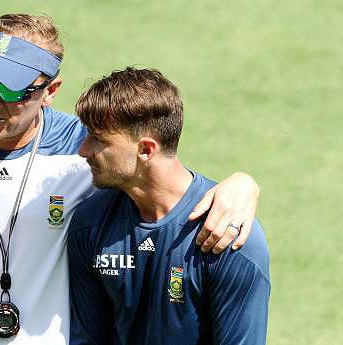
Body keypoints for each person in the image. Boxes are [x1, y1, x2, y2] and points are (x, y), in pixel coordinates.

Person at [0, 14, 261, 345]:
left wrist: (242, 185)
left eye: (9, 88)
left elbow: (163, 175)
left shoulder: (89, 152)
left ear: (50, 91)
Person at [68, 67, 270, 345]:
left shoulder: (226, 235)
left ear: (146, 149)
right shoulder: (90, 222)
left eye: (98, 140)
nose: (83, 150)